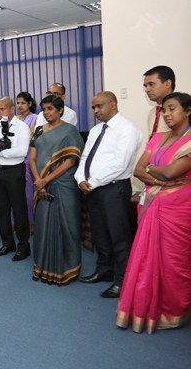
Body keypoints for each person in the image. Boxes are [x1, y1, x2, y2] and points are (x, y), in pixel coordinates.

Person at [117, 92, 191, 334]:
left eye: (172, 109)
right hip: (153, 203)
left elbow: (171, 172)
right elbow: (138, 169)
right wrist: (155, 172)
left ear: (188, 111)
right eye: (165, 110)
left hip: (179, 209)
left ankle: (173, 311)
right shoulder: (157, 137)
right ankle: (146, 308)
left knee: (174, 262)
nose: (167, 114)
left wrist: (154, 171)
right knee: (146, 258)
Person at [75, 92, 143, 297]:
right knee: (100, 234)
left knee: (119, 236)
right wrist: (80, 180)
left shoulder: (128, 129)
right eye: (94, 107)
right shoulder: (96, 131)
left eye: (100, 106)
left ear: (113, 104)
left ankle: (123, 281)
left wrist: (92, 182)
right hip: (93, 189)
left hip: (114, 188)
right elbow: (85, 158)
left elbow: (120, 164)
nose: (96, 110)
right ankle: (104, 271)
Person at [29, 95, 85, 285]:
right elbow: (32, 159)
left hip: (63, 185)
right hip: (41, 185)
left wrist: (45, 180)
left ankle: (67, 269)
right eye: (44, 109)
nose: (46, 113)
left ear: (60, 110)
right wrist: (39, 181)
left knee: (66, 226)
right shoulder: (38, 131)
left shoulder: (69, 131)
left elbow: (70, 162)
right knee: (44, 226)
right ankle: (44, 266)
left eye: (50, 109)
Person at [0, 97, 31, 261]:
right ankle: (8, 243)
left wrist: (0, 152)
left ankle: (23, 247)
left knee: (19, 211)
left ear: (12, 109)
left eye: (2, 109)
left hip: (14, 171)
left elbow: (22, 150)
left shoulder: (22, 127)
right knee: (1, 211)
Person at [16, 92, 38, 230]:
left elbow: (29, 139)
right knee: (15, 194)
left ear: (30, 104)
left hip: (28, 159)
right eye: (18, 103)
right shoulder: (15, 118)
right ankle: (16, 223)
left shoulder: (35, 117)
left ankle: (30, 224)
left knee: (28, 193)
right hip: (14, 160)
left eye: (23, 103)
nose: (20, 106)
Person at [143, 65, 175, 139]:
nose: (147, 90)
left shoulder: (183, 110)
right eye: (146, 86)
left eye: (151, 84)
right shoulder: (153, 112)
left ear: (167, 84)